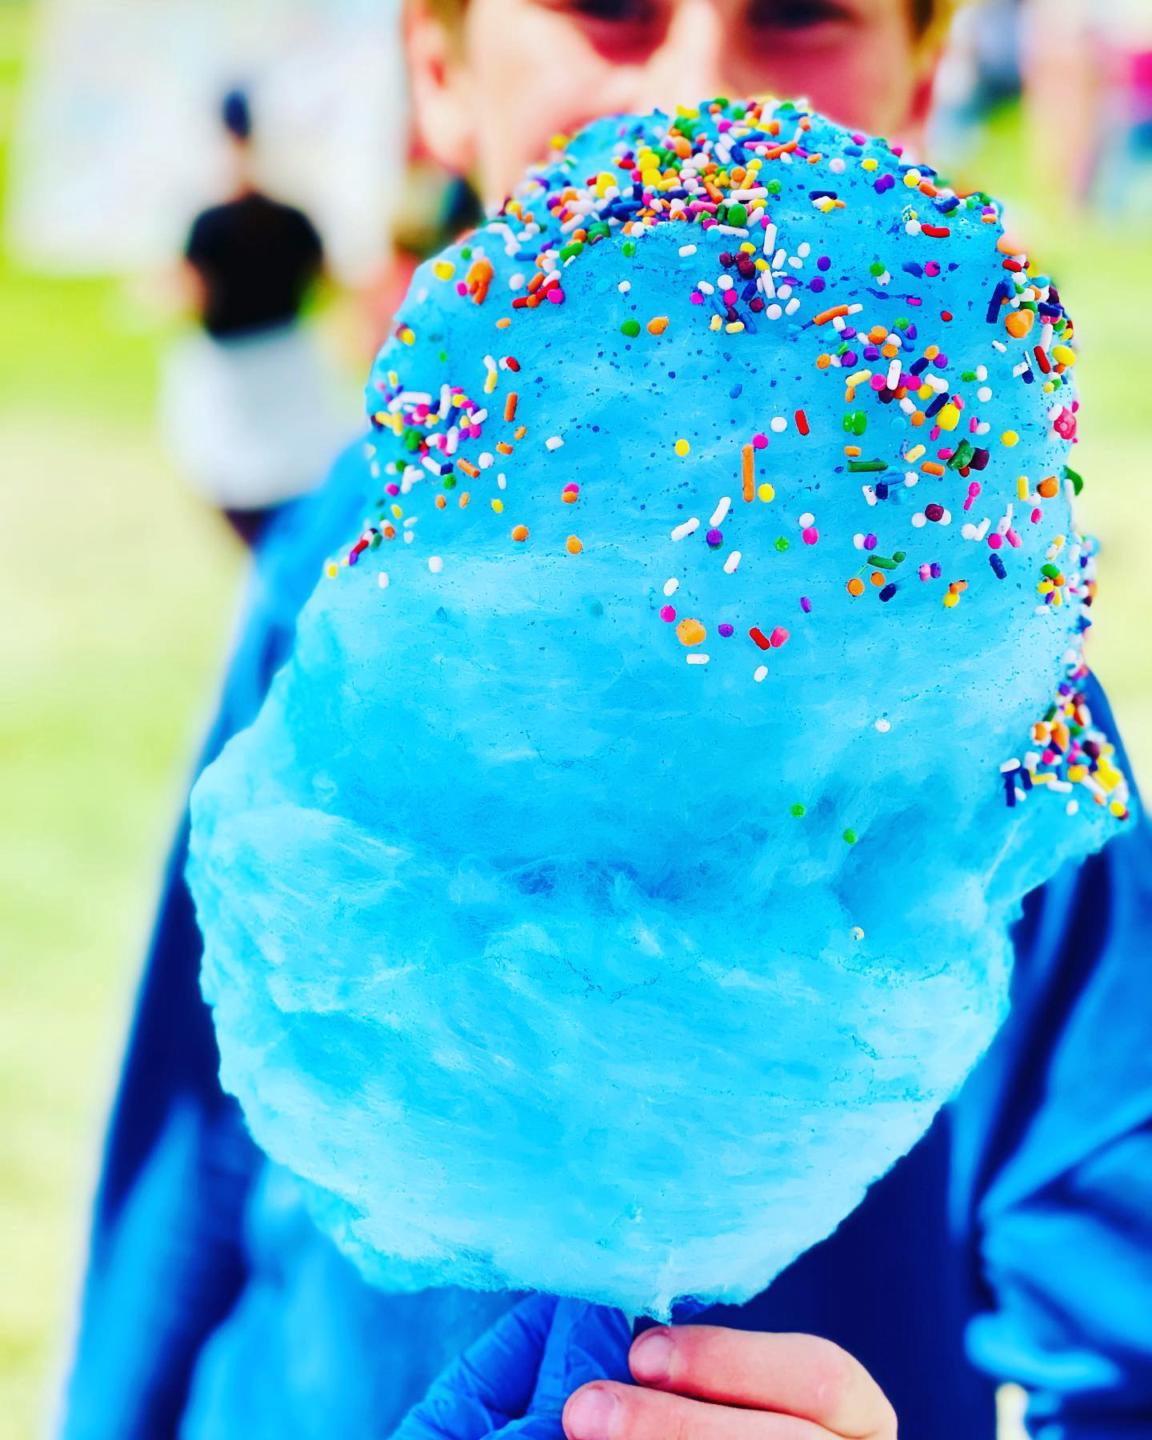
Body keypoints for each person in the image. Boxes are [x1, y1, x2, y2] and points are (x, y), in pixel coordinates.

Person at [56, 4, 1152, 1439]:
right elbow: (190, 1155)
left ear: (923, 85)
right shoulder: (344, 569)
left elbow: (1118, 1339)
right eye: (609, 9)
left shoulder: (983, 715)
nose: (698, 89)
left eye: (800, 14)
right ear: (439, 75)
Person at [159, 88, 347, 547]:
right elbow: (325, 278)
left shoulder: (209, 224)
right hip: (288, 364)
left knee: (238, 483)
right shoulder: (292, 218)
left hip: (235, 374)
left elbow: (190, 293)